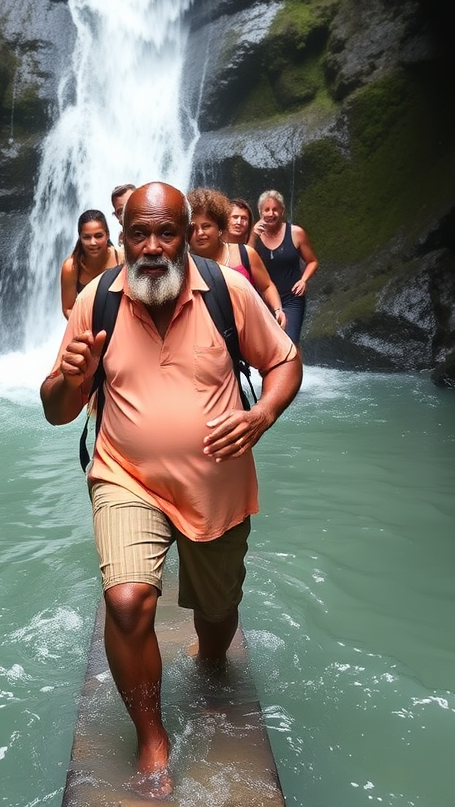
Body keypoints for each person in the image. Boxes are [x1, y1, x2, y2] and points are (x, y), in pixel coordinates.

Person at [40, 183, 302, 798]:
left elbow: (285, 362)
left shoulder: (228, 291)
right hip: (124, 476)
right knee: (127, 603)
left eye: (166, 233)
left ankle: (210, 660)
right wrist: (67, 379)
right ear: (122, 237)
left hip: (216, 489)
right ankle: (152, 739)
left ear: (186, 234)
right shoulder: (94, 301)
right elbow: (56, 410)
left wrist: (261, 414)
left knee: (215, 620)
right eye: (139, 234)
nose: (152, 247)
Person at [188, 187, 287, 331]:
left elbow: (266, 286)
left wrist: (278, 310)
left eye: (206, 226)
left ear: (219, 227)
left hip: (250, 332)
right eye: (193, 228)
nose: (200, 233)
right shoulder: (184, 264)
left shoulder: (245, 254)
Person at [251, 189, 318, 344]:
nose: (271, 213)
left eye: (275, 209)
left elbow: (312, 261)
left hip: (292, 298)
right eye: (266, 210)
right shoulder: (254, 236)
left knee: (290, 340)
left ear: (282, 211)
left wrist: (303, 280)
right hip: (264, 300)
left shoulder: (295, 233)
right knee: (269, 346)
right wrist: (253, 236)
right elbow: (244, 258)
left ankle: (294, 367)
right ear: (260, 212)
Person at [59, 209, 121, 320]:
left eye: (98, 236)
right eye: (86, 237)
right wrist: (83, 328)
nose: (93, 243)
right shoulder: (71, 267)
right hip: (86, 326)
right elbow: (68, 308)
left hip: (119, 323)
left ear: (107, 235)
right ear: (80, 238)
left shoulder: (121, 258)